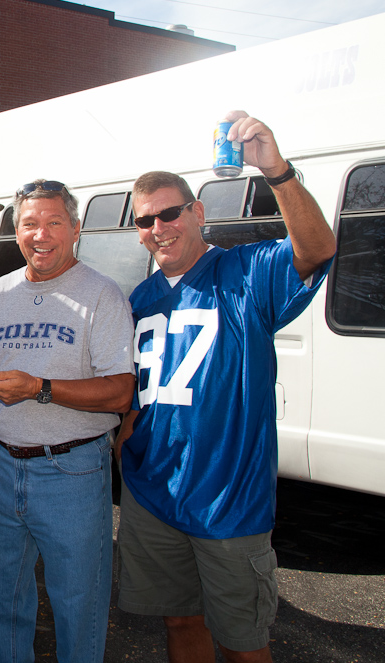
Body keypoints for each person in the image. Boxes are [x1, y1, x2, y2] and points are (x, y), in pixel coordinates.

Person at [115, 112, 337, 663]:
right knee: (181, 621)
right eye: (145, 221)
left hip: (228, 500)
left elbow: (315, 250)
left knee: (243, 642)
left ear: (198, 213)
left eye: (170, 214)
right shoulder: (139, 300)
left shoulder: (245, 272)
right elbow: (131, 387)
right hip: (154, 493)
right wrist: (124, 437)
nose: (158, 228)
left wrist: (277, 172)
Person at [0, 179, 135, 663]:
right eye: (29, 224)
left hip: (73, 472)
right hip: (1, 467)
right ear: (17, 232)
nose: (41, 234)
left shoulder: (101, 295)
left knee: (78, 604)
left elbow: (121, 393)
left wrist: (40, 388)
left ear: (74, 229)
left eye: (54, 222)